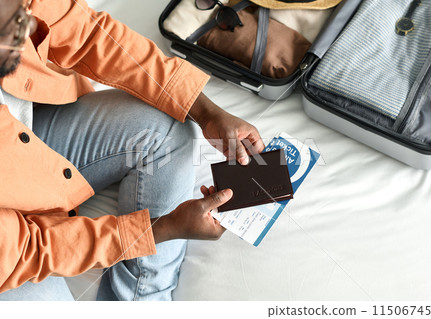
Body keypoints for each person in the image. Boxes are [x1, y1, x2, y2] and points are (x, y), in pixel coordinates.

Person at [0, 0, 264, 301]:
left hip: (26, 134)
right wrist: (162, 229)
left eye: (23, 11)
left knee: (165, 127)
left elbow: (89, 33)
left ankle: (142, 301)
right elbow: (28, 250)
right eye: (14, 26)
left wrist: (205, 111)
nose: (32, 26)